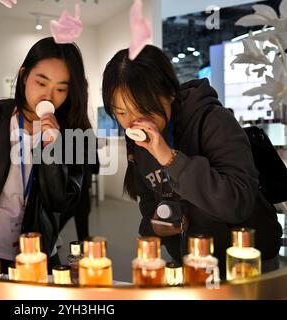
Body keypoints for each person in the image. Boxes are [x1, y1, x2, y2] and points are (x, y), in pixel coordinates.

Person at [102, 45, 282, 276]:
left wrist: (170, 159)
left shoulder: (213, 120)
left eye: (143, 109)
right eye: (122, 112)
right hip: (193, 261)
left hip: (246, 260)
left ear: (170, 93)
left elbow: (237, 203)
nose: (134, 122)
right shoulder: (137, 141)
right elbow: (149, 198)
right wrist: (155, 226)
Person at [0, 37, 91, 273]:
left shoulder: (72, 132)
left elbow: (60, 201)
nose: (49, 96)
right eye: (41, 83)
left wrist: (54, 149)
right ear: (24, 76)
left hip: (38, 252)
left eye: (61, 89)